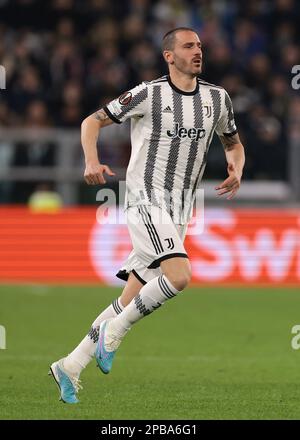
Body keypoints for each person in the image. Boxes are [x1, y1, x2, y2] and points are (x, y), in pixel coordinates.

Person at [49, 27, 245, 404]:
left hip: (183, 209)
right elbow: (92, 121)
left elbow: (233, 143)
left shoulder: (217, 99)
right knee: (180, 276)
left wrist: (237, 168)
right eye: (189, 46)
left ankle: (69, 365)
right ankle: (114, 334)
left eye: (200, 45)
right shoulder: (148, 93)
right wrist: (91, 160)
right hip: (146, 200)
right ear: (169, 56)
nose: (198, 51)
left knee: (129, 297)